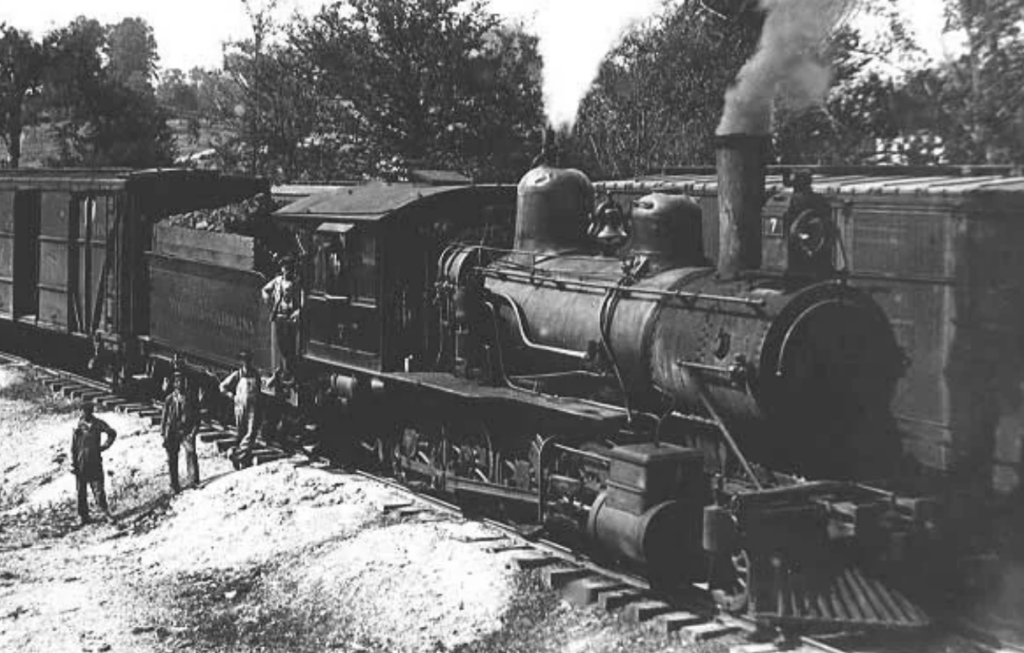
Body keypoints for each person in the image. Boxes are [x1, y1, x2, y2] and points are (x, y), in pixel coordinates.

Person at [70, 401, 117, 524]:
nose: (84, 414)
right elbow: (73, 447)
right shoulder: (78, 426)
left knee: (99, 490)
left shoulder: (97, 424)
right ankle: (83, 516)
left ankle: (106, 513)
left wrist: (104, 446)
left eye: (87, 411)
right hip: (81, 463)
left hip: (95, 462)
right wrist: (73, 464)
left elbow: (111, 433)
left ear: (91, 412)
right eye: (83, 411)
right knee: (81, 492)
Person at [261, 258, 303, 381]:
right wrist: (268, 301)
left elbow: (302, 298)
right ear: (282, 269)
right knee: (280, 345)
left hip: (291, 318)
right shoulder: (277, 281)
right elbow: (265, 290)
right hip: (279, 316)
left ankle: (289, 372)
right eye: (285, 267)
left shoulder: (296, 282)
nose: (287, 270)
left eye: (289, 268)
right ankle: (279, 371)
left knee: (291, 346)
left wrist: (299, 311)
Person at [219, 351, 261, 469]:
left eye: (248, 361)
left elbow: (259, 390)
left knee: (251, 432)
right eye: (244, 361)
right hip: (240, 406)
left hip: (253, 406)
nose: (246, 363)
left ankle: (235, 455)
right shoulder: (237, 375)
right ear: (241, 362)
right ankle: (244, 460)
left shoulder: (255, 374)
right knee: (242, 433)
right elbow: (222, 386)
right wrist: (231, 396)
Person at [161, 373, 200, 492]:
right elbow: (164, 417)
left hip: (186, 431)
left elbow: (197, 416)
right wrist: (163, 432)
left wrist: (194, 431)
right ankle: (174, 484)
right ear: (174, 385)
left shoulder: (191, 398)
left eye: (182, 382)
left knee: (191, 453)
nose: (180, 385)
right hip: (172, 431)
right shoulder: (169, 399)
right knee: (172, 458)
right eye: (177, 382)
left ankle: (193, 481)